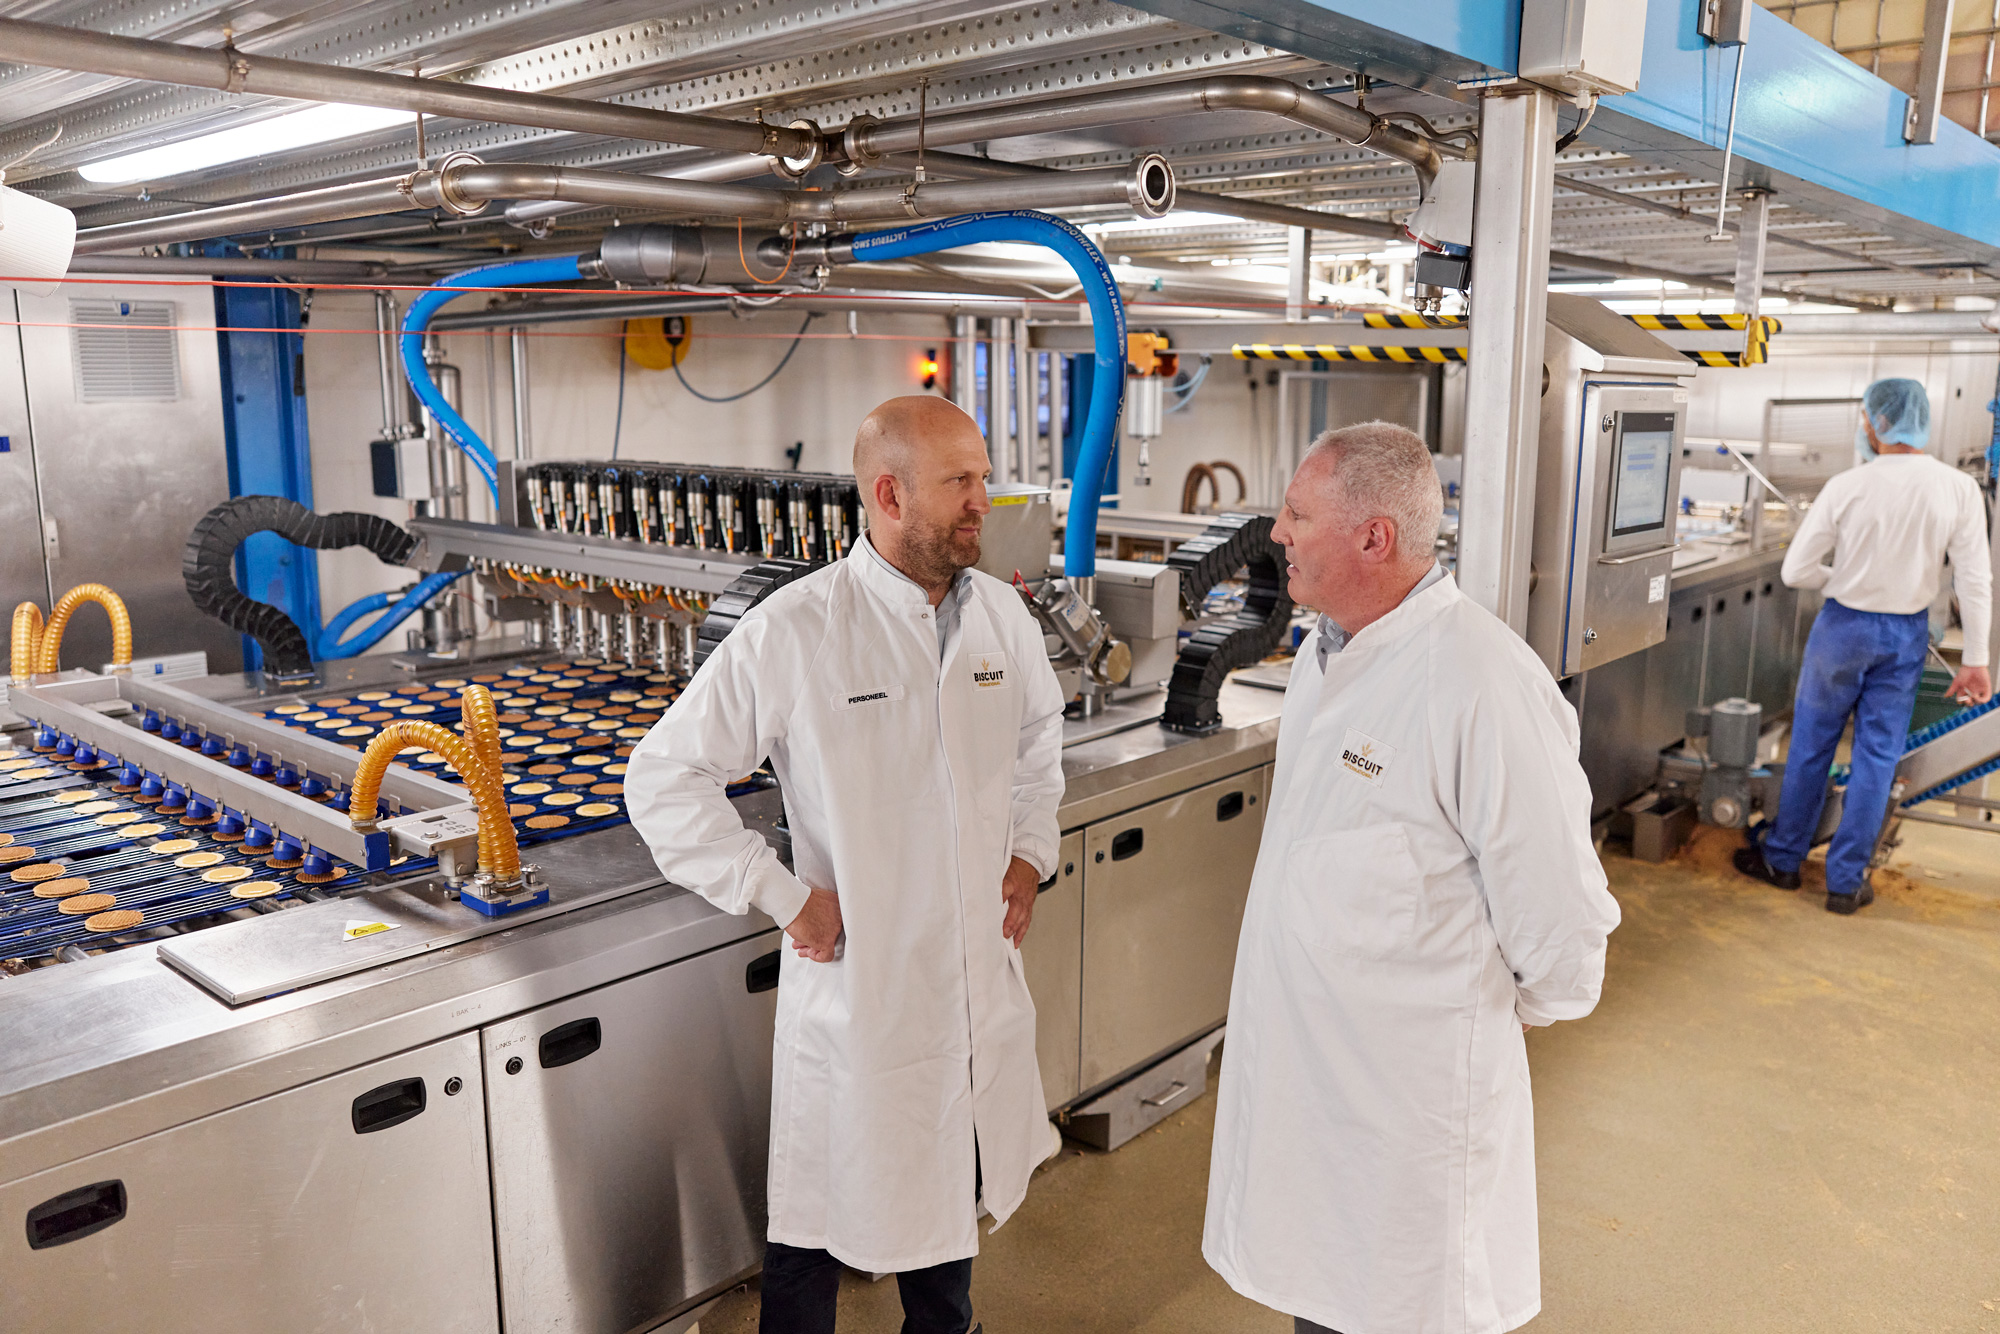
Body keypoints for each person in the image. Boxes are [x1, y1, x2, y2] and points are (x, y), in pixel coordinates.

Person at [624, 396, 1065, 1334]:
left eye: (984, 477)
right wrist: (780, 895)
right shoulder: (801, 628)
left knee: (947, 1206)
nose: (985, 499)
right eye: (963, 482)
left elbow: (1037, 739)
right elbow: (663, 776)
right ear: (890, 494)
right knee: (820, 1215)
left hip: (971, 975)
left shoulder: (1001, 619)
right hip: (859, 980)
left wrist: (1030, 851)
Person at [1202, 421, 1622, 1334]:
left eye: (1297, 514)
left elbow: (1560, 926)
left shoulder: (1480, 682)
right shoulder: (1327, 654)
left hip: (1409, 1114)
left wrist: (1473, 1018)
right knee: (1325, 1297)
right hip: (1319, 1094)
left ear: (1374, 538)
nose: (1276, 533)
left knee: (1396, 1305)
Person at [1735, 377, 1992, 913]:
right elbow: (1975, 580)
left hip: (1843, 629)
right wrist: (1976, 660)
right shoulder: (1957, 488)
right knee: (1878, 756)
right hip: (1905, 634)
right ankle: (1845, 884)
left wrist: (1844, 578)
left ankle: (1782, 861)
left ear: (1875, 423)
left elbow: (1795, 570)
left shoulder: (1848, 485)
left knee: (1812, 746)